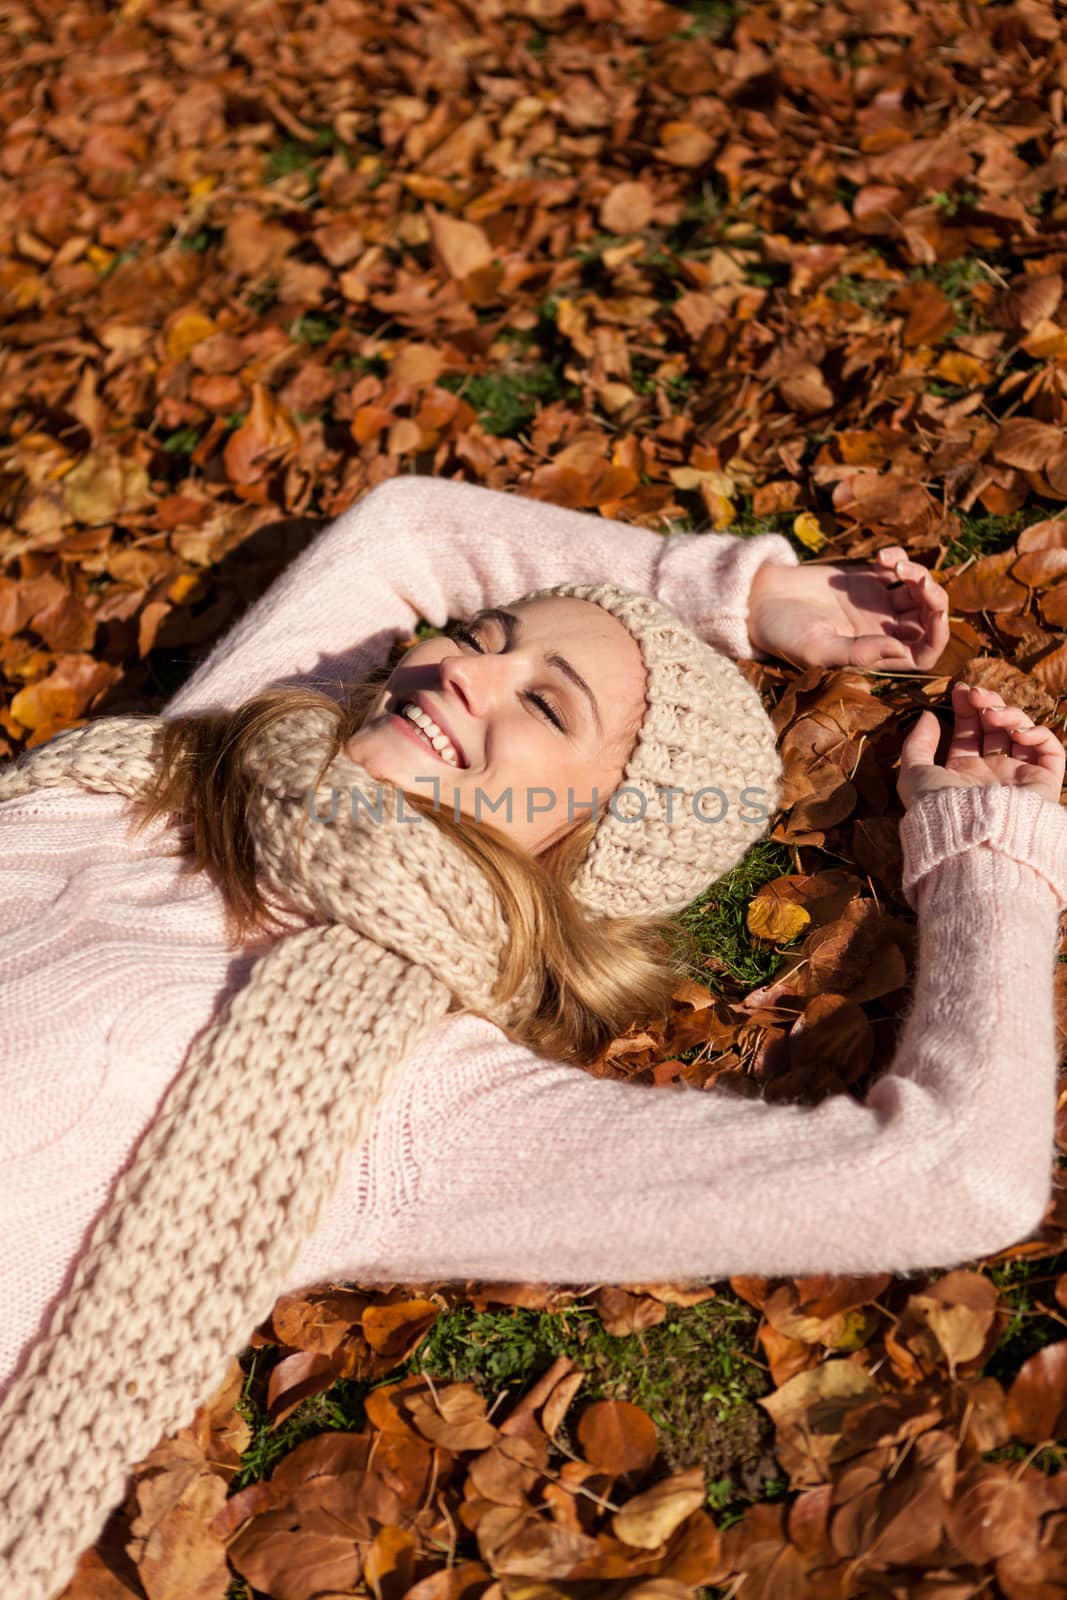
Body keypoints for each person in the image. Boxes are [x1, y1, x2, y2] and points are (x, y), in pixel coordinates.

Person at [0, 473, 1064, 1600]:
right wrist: (744, 595)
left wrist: (983, 856)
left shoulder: (388, 1093)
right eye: (477, 638)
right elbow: (408, 529)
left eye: (548, 706)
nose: (460, 667)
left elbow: (958, 1176)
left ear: (583, 847)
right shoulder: (192, 763)